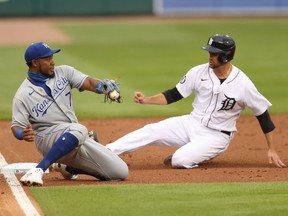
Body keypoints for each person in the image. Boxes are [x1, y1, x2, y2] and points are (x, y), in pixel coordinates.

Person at [106, 34, 286, 169]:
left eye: (214, 53)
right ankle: (107, 151)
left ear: (225, 56)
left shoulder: (243, 84)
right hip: (191, 122)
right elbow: (174, 94)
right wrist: (146, 100)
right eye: (209, 52)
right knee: (150, 130)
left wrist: (271, 149)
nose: (209, 56)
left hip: (217, 136)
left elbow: (262, 114)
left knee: (179, 160)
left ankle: (194, 154)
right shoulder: (198, 72)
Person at [11, 42, 128, 186]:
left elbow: (90, 83)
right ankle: (38, 169)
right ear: (35, 63)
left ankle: (68, 168)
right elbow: (16, 125)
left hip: (72, 135)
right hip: (47, 138)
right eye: (48, 59)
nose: (52, 62)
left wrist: (102, 86)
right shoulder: (22, 95)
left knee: (120, 172)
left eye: (52, 57)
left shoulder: (64, 72)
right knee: (79, 129)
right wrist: (21, 134)